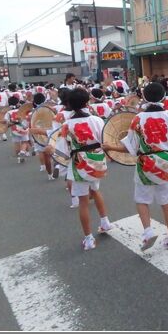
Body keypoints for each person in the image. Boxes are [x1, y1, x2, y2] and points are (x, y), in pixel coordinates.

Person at [103, 82, 168, 251]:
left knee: (142, 200)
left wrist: (110, 147)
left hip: (147, 164)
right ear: (164, 97)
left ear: (144, 97)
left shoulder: (138, 118)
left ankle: (148, 231)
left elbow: (130, 147)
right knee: (167, 202)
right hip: (167, 162)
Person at [55, 88, 114, 250]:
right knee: (95, 191)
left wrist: (61, 167)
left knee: (83, 201)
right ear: (87, 102)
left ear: (68, 105)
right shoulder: (97, 120)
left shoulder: (67, 125)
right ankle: (105, 222)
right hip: (97, 161)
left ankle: (88, 238)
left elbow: (62, 152)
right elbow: (105, 139)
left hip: (79, 164)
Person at [28, 92, 56, 180]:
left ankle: (49, 174)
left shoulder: (32, 112)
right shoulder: (50, 109)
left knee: (44, 154)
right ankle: (58, 166)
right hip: (52, 132)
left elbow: (30, 125)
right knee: (57, 153)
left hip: (39, 135)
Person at [5, 96, 31, 163]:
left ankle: (19, 158)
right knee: (25, 141)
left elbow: (7, 122)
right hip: (23, 128)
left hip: (14, 130)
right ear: (18, 103)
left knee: (16, 144)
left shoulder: (8, 112)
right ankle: (24, 151)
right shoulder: (22, 110)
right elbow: (26, 118)